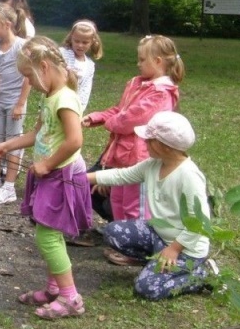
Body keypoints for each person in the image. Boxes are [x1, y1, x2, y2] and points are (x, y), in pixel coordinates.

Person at [0, 36, 92, 319]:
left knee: (47, 236)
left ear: (44, 67)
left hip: (63, 176)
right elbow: (37, 134)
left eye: (28, 77)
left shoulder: (66, 98)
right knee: (50, 234)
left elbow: (74, 140)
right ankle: (54, 289)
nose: (30, 85)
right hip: (51, 174)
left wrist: (47, 164)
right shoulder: (50, 96)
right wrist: (6, 145)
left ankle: (71, 298)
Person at [88, 111, 212, 298]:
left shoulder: (188, 176)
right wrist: (81, 178)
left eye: (149, 140)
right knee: (113, 232)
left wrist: (174, 249)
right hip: (159, 234)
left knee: (146, 289)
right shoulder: (154, 164)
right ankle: (156, 260)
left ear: (166, 147)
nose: (144, 143)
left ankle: (199, 275)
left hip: (185, 247)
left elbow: (200, 222)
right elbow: (122, 175)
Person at [83, 34, 183, 229]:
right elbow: (120, 110)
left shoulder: (160, 92)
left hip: (139, 157)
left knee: (133, 204)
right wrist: (96, 117)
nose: (138, 63)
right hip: (122, 155)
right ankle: (122, 237)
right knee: (118, 201)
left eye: (142, 59)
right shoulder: (137, 83)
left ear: (158, 61)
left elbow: (129, 119)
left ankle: (135, 242)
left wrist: (109, 123)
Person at [0, 5, 31, 204]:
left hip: (15, 104)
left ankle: (9, 186)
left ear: (7, 24)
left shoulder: (21, 47)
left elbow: (28, 78)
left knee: (13, 144)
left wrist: (20, 104)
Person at [59, 19, 103, 109]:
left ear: (92, 42)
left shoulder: (90, 66)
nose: (80, 45)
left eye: (85, 42)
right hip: (56, 101)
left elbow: (85, 90)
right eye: (77, 41)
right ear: (71, 38)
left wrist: (79, 108)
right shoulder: (61, 54)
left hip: (73, 106)